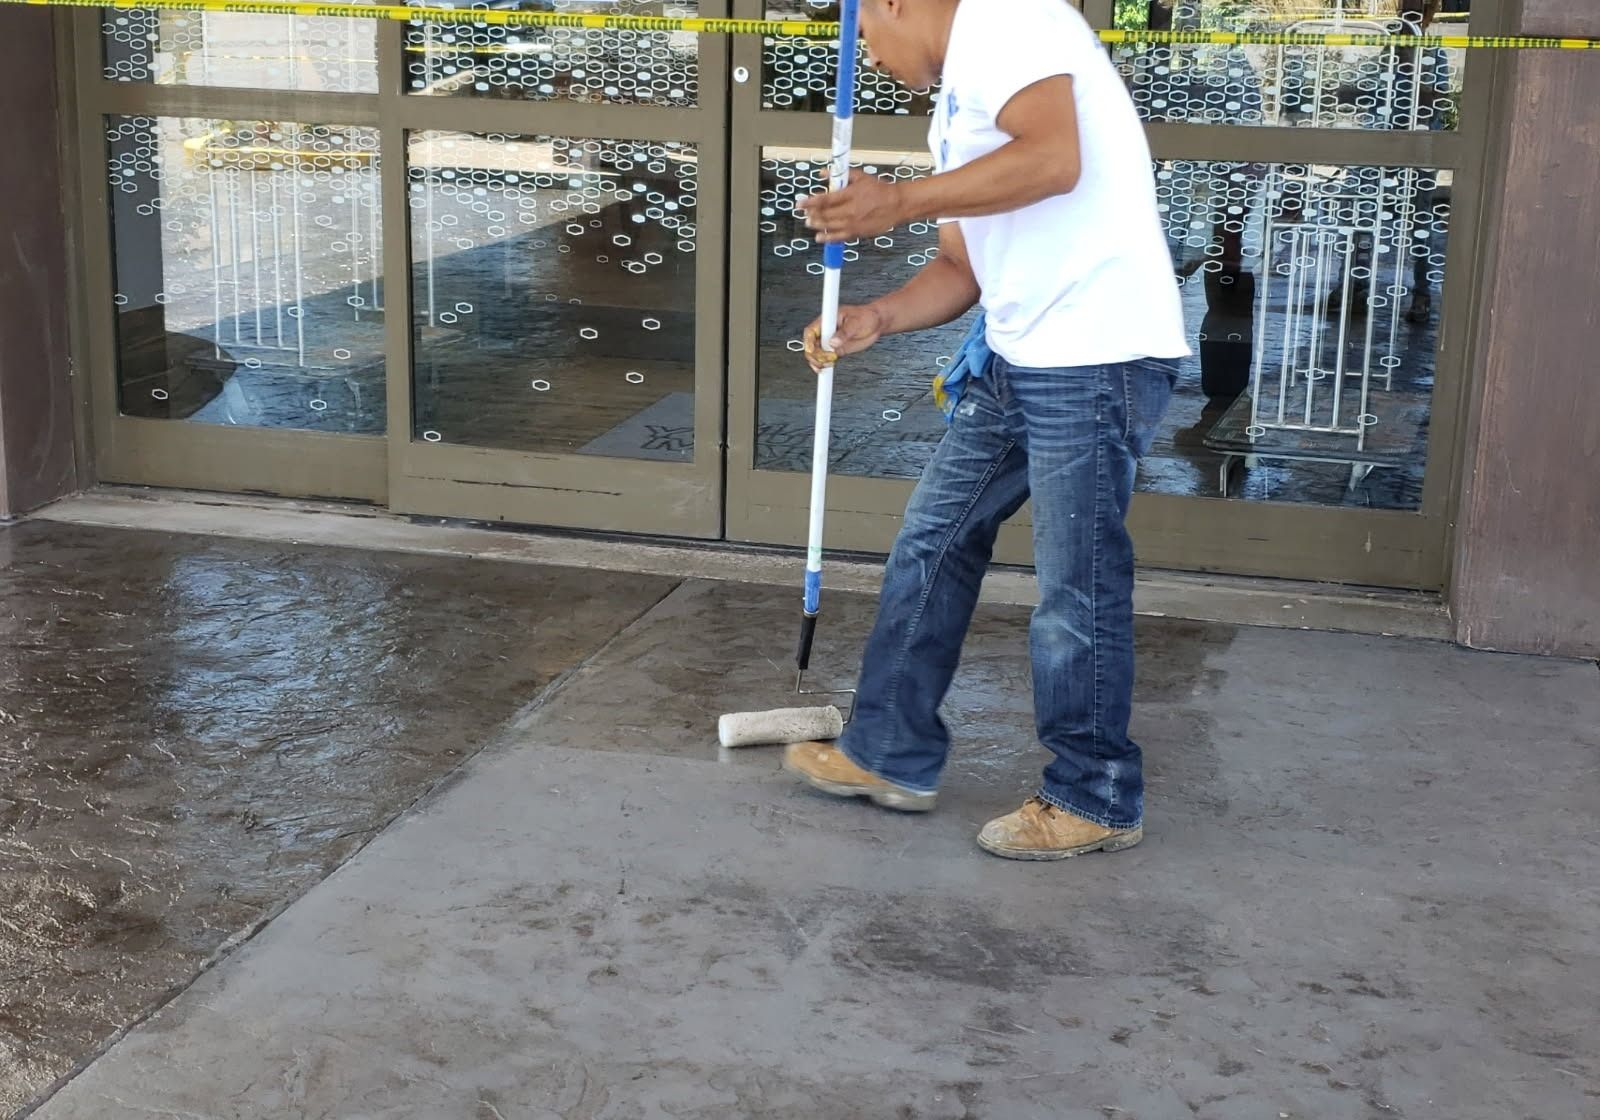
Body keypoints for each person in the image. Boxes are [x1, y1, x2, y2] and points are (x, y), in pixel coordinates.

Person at [784, 0, 1189, 860]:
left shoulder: (1011, 19)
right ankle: (889, 753)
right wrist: (879, 319)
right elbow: (961, 268)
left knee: (1075, 585)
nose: (871, 55)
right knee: (933, 541)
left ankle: (1096, 795)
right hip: (1021, 350)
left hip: (1094, 352)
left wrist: (894, 200)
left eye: (865, 34)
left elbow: (1053, 159)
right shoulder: (959, 94)